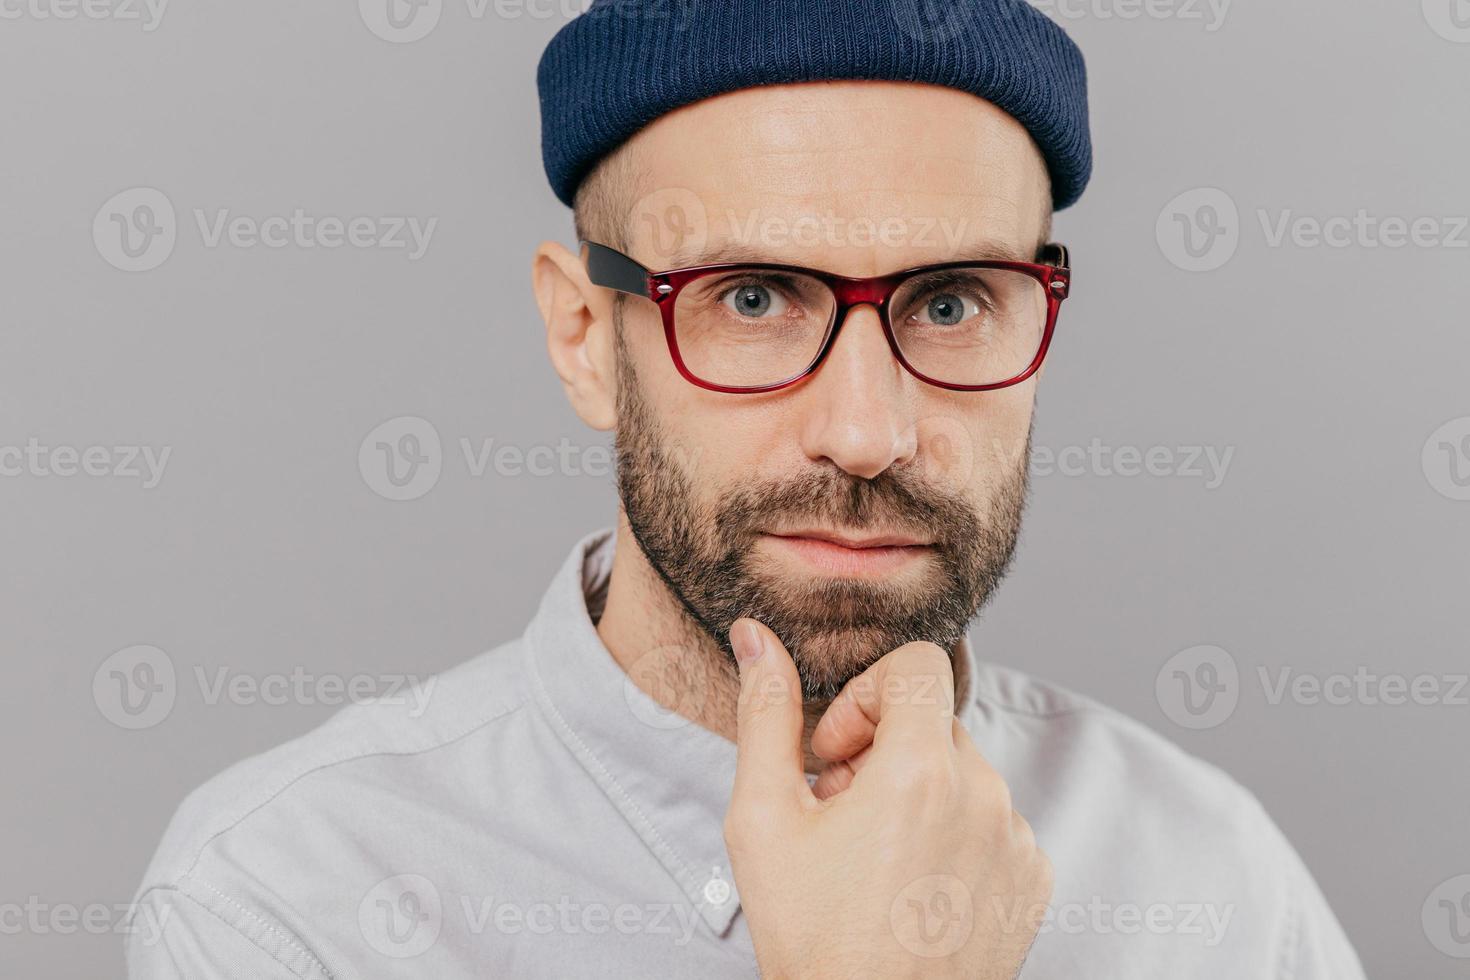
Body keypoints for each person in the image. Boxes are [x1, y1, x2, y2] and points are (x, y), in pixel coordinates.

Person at [128, 1, 1365, 976]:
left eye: (950, 302)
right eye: (754, 300)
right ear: (582, 336)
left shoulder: (1215, 886)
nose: (867, 430)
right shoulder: (290, 905)